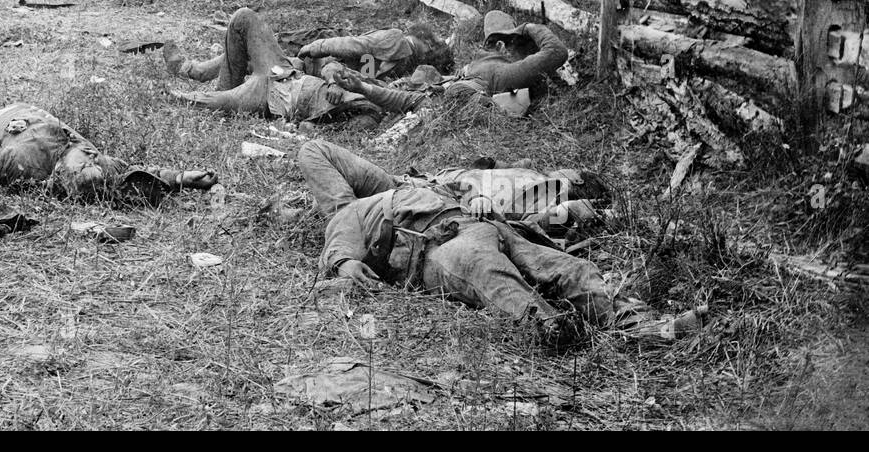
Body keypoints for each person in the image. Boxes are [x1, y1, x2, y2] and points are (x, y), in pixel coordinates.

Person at [297, 138, 699, 344]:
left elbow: (460, 186)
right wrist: (344, 262)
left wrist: (476, 198)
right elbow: (339, 243)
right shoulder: (349, 214)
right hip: (438, 248)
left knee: (563, 266)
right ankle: (550, 326)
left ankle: (642, 325)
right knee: (484, 270)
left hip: (482, 223)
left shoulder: (411, 184)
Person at [0, 92, 217, 201]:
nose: (91, 162)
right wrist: (182, 178)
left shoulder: (26, 160)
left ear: (62, 172)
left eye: (85, 168)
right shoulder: (95, 163)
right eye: (90, 161)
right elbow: (138, 172)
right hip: (16, 112)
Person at [162, 7, 382, 125]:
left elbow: (359, 116)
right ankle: (193, 71)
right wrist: (333, 78)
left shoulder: (372, 106)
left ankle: (194, 75)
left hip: (274, 97)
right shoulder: (376, 70)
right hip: (290, 69)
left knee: (209, 100)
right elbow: (338, 66)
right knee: (243, 18)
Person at [336, 10, 569, 118]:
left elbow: (407, 100)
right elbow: (557, 52)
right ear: (500, 47)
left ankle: (361, 88)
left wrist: (363, 87)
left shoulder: (469, 69)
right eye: (520, 47)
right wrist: (529, 28)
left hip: (423, 105)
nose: (522, 55)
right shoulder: (501, 71)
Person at [296, 21, 455, 82]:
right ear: (425, 41)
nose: (428, 52)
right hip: (326, 64)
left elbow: (369, 70)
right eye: (430, 46)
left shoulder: (411, 61)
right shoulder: (398, 40)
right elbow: (356, 45)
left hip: (344, 79)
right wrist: (317, 47)